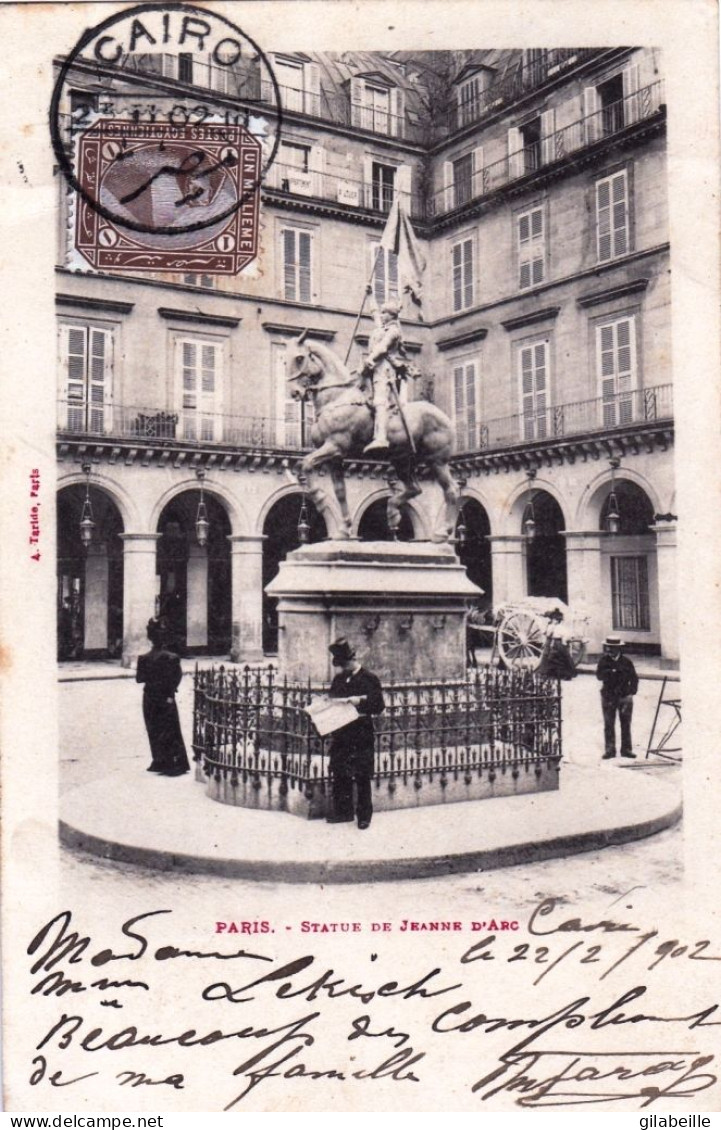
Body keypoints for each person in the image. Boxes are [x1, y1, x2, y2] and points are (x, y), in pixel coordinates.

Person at [326, 637, 385, 829]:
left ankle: (364, 816)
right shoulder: (339, 679)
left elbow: (378, 706)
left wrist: (359, 701)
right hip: (341, 733)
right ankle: (343, 812)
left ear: (352, 660)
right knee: (340, 771)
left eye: (344, 664)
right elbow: (332, 700)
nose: (342, 669)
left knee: (362, 774)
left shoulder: (370, 679)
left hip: (361, 733)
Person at [361, 286, 418, 455]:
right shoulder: (383, 327)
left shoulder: (393, 331)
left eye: (385, 313)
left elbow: (383, 348)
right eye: (383, 312)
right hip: (373, 367)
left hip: (384, 369)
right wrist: (370, 295)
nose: (382, 315)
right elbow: (374, 313)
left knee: (380, 401)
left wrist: (370, 358)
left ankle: (381, 437)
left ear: (392, 315)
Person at [136, 618, 190, 777]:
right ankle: (173, 762)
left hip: (149, 697)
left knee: (153, 728)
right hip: (166, 697)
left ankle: (158, 760)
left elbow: (139, 679)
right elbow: (177, 677)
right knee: (170, 729)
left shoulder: (143, 658)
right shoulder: (172, 657)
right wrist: (171, 690)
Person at [595, 635, 639, 759]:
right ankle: (610, 750)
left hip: (624, 697)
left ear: (619, 649)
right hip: (608, 697)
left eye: (613, 648)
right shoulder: (603, 661)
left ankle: (626, 750)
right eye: (608, 647)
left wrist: (631, 692)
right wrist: (611, 672)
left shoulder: (626, 662)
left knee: (626, 724)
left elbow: (634, 678)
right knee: (608, 724)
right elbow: (599, 676)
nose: (609, 650)